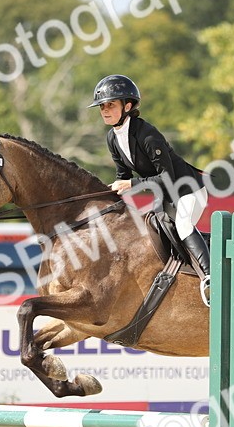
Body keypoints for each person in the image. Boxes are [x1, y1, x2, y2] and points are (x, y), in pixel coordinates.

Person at [90, 74, 211, 305]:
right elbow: (122, 176)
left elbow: (167, 178)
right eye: (102, 106)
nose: (104, 110)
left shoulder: (147, 134)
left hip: (188, 190)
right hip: (165, 196)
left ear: (127, 106)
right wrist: (102, 195)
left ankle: (209, 277)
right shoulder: (112, 138)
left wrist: (132, 185)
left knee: (183, 224)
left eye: (110, 105)